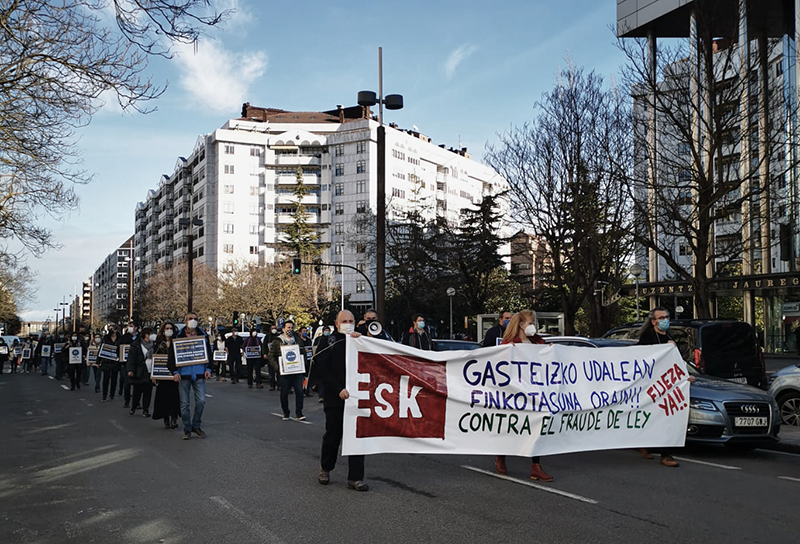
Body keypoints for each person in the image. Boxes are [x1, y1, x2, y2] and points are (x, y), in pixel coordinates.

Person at [493, 310, 554, 482]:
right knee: (511, 426)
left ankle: (536, 466)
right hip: (515, 392)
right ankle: (501, 455)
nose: (533, 326)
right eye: (531, 323)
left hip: (534, 391)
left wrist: (548, 351)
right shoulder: (509, 343)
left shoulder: (537, 342)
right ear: (521, 325)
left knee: (537, 426)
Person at [316, 310, 368, 491]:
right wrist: (337, 389)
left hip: (357, 397)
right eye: (344, 321)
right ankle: (326, 468)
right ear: (336, 324)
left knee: (357, 436)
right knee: (333, 435)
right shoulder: (328, 341)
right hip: (335, 396)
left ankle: (355, 477)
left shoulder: (359, 339)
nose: (348, 323)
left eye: (351, 320)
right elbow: (321, 367)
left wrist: (361, 339)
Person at [636, 306, 694, 467]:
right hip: (653, 386)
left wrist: (685, 375)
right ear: (653, 321)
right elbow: (643, 358)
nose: (665, 320)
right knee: (659, 416)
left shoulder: (669, 336)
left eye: (667, 317)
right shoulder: (648, 337)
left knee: (665, 417)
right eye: (661, 318)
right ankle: (663, 454)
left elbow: (674, 362)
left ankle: (653, 447)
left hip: (667, 386)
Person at [167, 312, 212, 440]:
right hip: (183, 374)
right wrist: (174, 372)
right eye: (190, 319)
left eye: (195, 319)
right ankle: (187, 429)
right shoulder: (178, 335)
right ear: (185, 321)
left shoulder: (203, 335)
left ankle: (196, 425)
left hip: (199, 373)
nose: (193, 321)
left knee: (201, 401)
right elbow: (172, 356)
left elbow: (208, 352)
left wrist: (208, 368)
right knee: (184, 404)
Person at [268, 320, 306, 420]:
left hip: (297, 371)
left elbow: (303, 354)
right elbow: (271, 356)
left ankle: (299, 413)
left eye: (291, 328)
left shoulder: (297, 340)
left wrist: (303, 365)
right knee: (284, 392)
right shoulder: (277, 341)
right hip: (284, 372)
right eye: (288, 327)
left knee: (299, 391)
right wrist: (278, 368)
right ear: (283, 329)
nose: (290, 329)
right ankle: (286, 412)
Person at [151, 322, 180, 430]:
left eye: (171, 328)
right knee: (163, 397)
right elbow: (154, 359)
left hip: (174, 375)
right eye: (167, 328)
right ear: (163, 331)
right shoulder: (158, 344)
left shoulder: (177, 342)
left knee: (174, 397)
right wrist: (153, 375)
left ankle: (174, 418)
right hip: (162, 376)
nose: (169, 330)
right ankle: (166, 418)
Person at [126, 327, 155, 417]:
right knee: (137, 391)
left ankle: (145, 409)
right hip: (140, 371)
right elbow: (131, 358)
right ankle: (134, 406)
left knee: (148, 391)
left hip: (150, 371)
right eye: (151, 334)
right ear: (146, 335)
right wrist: (130, 370)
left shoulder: (155, 345)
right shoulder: (136, 345)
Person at [119, 321, 139, 408]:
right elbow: (119, 348)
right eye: (129, 326)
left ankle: (136, 402)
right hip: (125, 363)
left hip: (137, 364)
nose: (130, 327)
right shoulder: (124, 337)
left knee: (137, 385)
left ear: (136, 327)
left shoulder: (139, 337)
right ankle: (127, 400)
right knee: (127, 384)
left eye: (132, 326)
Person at [99, 325, 121, 402]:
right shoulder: (106, 338)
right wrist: (98, 361)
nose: (111, 330)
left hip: (116, 361)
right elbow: (102, 349)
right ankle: (104, 395)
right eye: (109, 329)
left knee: (114, 379)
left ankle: (112, 395)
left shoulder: (120, 338)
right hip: (107, 361)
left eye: (112, 329)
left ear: (116, 330)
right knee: (106, 379)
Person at [262, 325, 279, 390]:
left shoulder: (278, 336)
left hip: (278, 356)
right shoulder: (267, 336)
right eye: (272, 328)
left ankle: (279, 385)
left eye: (275, 328)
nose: (274, 329)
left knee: (278, 371)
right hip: (270, 356)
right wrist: (265, 354)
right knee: (271, 372)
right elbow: (264, 345)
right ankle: (272, 385)